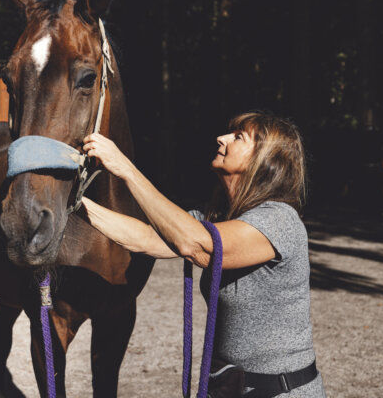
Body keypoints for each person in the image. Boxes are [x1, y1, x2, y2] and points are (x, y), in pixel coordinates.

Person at [81, 111, 326, 398]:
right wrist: (75, 204)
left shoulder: (279, 219)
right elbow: (146, 237)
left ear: (266, 160)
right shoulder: (218, 217)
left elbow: (196, 245)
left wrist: (125, 169)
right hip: (230, 389)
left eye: (238, 137)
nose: (221, 139)